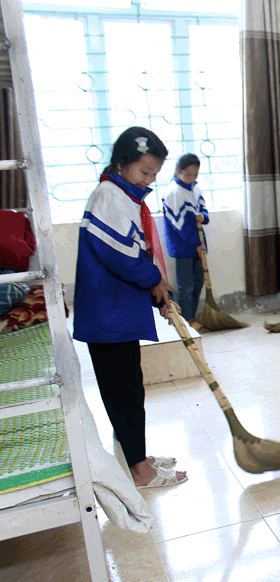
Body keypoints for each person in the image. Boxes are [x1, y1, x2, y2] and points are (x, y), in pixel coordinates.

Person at [73, 126, 188, 489]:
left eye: (154, 174)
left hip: (118, 311)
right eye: (144, 172)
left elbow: (137, 253)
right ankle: (140, 471)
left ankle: (136, 456)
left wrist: (159, 293)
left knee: (129, 387)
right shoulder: (108, 196)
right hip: (108, 315)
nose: (148, 180)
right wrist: (155, 280)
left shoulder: (124, 195)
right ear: (121, 164)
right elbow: (122, 256)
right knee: (123, 392)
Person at [163, 153, 209, 325]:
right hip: (183, 246)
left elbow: (204, 211)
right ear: (178, 171)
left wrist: (202, 217)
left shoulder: (195, 189)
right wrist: (196, 244)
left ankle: (193, 316)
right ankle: (186, 320)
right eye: (187, 174)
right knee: (186, 285)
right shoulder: (173, 192)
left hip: (198, 243)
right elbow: (181, 225)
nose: (191, 178)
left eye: (195, 175)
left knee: (198, 282)